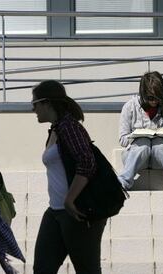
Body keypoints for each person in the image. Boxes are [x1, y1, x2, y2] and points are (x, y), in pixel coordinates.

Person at [31, 80, 106, 274]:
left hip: (76, 212)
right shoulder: (56, 129)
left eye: (35, 104)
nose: (33, 109)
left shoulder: (69, 127)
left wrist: (70, 199)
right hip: (56, 211)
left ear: (46, 102)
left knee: (87, 270)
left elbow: (87, 162)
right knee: (42, 268)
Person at [118, 71, 163, 191]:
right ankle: (123, 182)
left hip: (160, 158)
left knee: (159, 145)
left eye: (158, 97)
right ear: (143, 93)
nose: (154, 101)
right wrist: (137, 136)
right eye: (150, 98)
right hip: (136, 158)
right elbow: (122, 140)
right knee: (143, 144)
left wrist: (162, 137)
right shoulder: (129, 107)